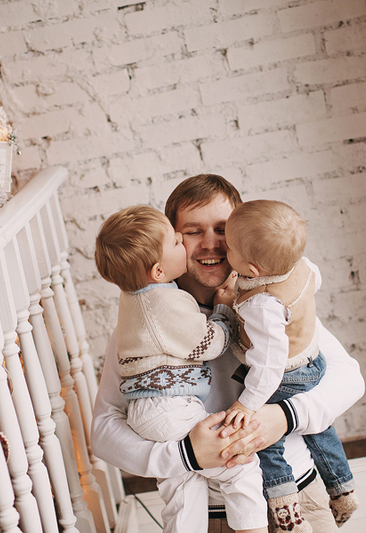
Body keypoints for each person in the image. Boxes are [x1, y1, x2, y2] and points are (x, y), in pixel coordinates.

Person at [91, 174, 365, 533]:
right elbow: (104, 431)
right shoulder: (144, 326)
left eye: (223, 229)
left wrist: (283, 417)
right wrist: (185, 456)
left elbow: (348, 378)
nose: (211, 244)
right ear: (171, 240)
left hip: (300, 496)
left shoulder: (270, 301)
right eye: (192, 231)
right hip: (214, 515)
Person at [94, 205, 268, 533]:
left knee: (183, 491)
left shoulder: (135, 298)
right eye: (179, 239)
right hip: (169, 407)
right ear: (159, 271)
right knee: (239, 465)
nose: (183, 243)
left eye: (222, 229)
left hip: (149, 409)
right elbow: (208, 344)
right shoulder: (164, 302)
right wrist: (222, 311)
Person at [223, 200, 358, 531]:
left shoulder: (261, 305)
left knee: (264, 441)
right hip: (312, 361)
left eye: (228, 247)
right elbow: (314, 284)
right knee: (320, 428)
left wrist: (248, 404)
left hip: (285, 375)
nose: (223, 249)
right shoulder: (303, 267)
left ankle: (286, 510)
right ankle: (343, 487)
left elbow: (269, 365)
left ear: (252, 269)